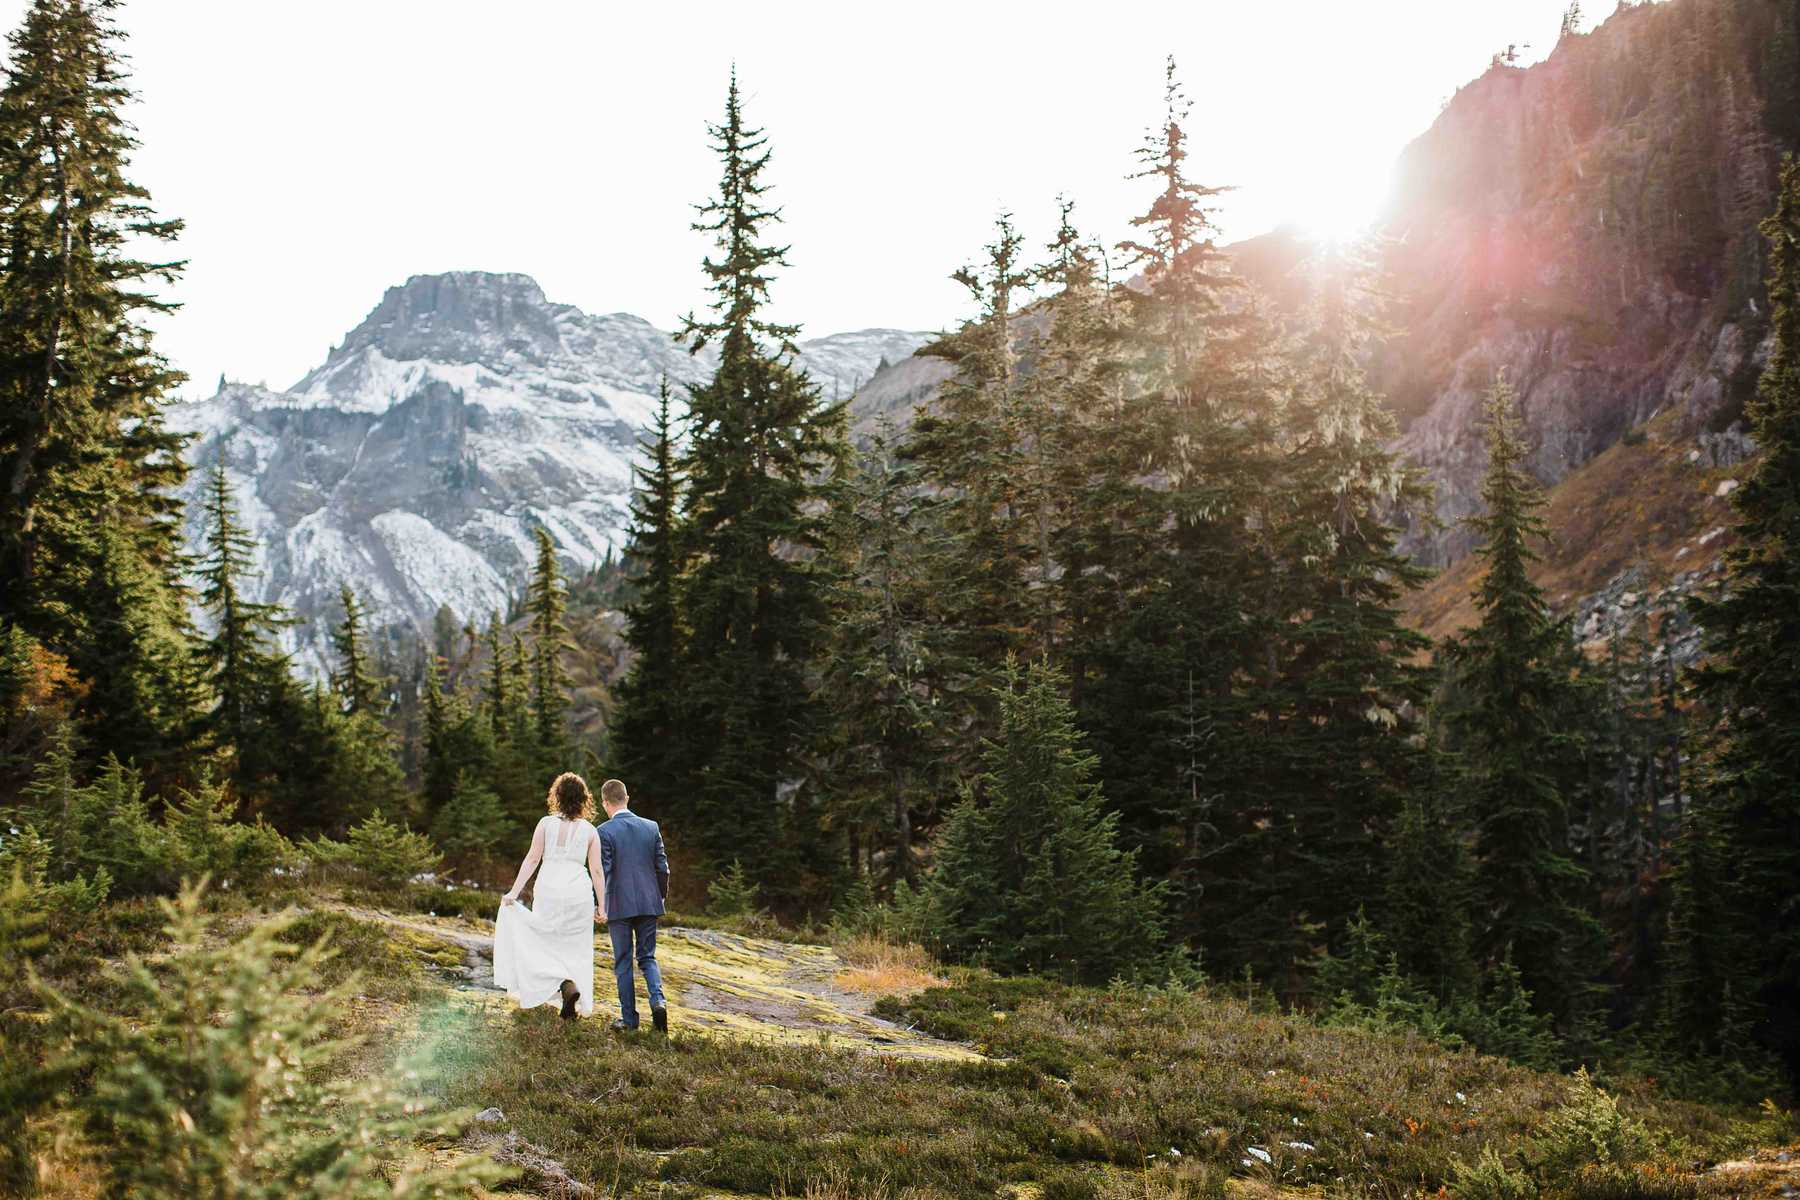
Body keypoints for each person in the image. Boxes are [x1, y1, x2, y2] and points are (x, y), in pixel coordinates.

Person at [494, 773, 605, 1019]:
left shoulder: (545, 823)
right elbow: (597, 871)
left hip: (549, 888)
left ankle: (566, 986)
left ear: (557, 796)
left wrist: (514, 892)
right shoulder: (590, 830)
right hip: (578, 892)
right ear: (583, 799)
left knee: (544, 941)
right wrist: (602, 906)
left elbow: (532, 859)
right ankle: (570, 988)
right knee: (576, 947)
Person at [596, 778, 670, 1032]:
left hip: (619, 905)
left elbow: (604, 871)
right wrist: (659, 896)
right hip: (649, 903)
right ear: (627, 798)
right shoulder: (651, 827)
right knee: (648, 957)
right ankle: (658, 1002)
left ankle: (629, 1021)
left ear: (605, 803)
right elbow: (663, 868)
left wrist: (600, 905)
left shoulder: (604, 831)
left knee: (624, 962)